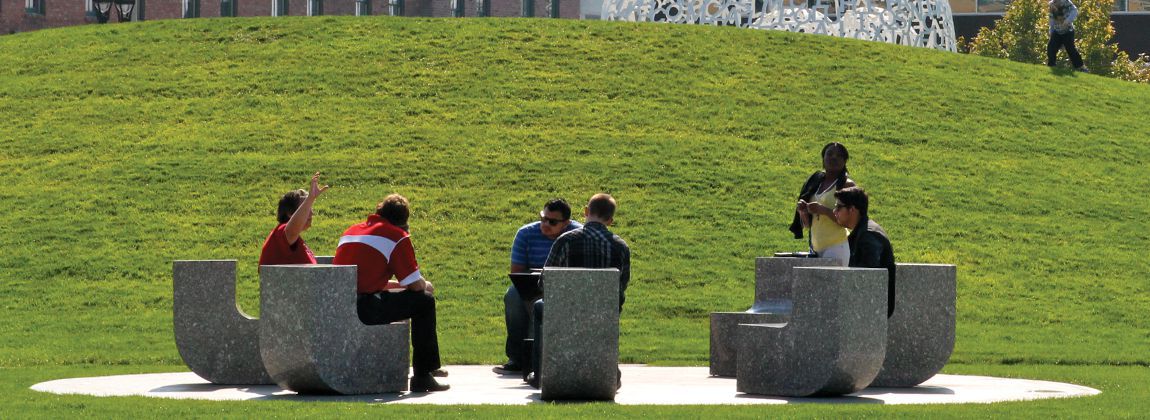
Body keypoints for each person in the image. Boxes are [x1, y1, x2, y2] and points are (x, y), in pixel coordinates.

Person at [333, 194, 449, 392]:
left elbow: (366, 281)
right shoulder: (396, 236)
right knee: (425, 301)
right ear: (403, 221)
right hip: (367, 309)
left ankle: (428, 367)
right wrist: (425, 284)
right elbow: (415, 285)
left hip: (340, 304)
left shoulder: (351, 231)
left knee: (416, 299)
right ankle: (423, 375)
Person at [527, 193, 631, 389]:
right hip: (603, 315)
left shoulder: (565, 241)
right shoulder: (621, 247)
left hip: (566, 313)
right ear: (610, 220)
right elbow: (621, 286)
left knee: (539, 307)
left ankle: (539, 371)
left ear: (585, 211)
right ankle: (609, 369)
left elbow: (544, 282)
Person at [493, 199, 582, 375]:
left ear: (566, 223)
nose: (545, 224)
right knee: (512, 295)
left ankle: (536, 360)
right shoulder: (525, 234)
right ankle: (516, 358)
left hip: (565, 287)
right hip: (531, 285)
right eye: (543, 218)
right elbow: (517, 273)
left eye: (552, 222)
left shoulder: (577, 234)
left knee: (539, 305)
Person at [832, 187, 896, 317]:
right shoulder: (862, 231)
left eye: (839, 207)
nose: (834, 211)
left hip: (873, 311)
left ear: (852, 210)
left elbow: (868, 276)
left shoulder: (868, 235)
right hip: (869, 308)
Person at [789, 142, 856, 266]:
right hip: (815, 247)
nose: (833, 158)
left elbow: (851, 222)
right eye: (829, 154)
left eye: (839, 156)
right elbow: (808, 224)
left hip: (836, 246)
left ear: (845, 161)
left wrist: (823, 210)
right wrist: (803, 211)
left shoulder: (847, 185)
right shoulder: (815, 182)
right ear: (823, 158)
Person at [259, 172, 328, 266]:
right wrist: (310, 198)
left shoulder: (294, 239)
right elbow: (291, 231)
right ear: (290, 214)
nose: (312, 213)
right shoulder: (280, 233)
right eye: (306, 208)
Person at [1048, 0, 1088, 72]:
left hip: (1068, 31)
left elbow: (1075, 11)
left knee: (1070, 49)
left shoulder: (1066, 2)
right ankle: (1051, 65)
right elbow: (1051, 20)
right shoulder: (1051, 5)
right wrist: (1051, 32)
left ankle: (1081, 67)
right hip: (1057, 31)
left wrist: (1068, 21)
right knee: (1051, 47)